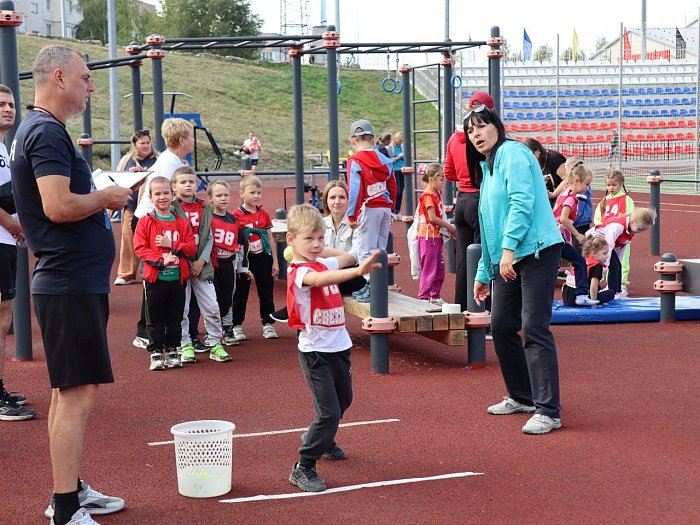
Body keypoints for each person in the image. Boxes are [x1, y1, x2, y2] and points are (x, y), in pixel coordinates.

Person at [10, 45, 130, 525]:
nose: (92, 85)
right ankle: (64, 508)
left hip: (70, 280)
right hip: (68, 280)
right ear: (59, 77)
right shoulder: (44, 131)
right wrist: (104, 196)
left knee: (68, 392)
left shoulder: (41, 129)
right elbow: (58, 206)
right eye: (85, 77)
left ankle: (69, 490)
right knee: (76, 394)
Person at [466, 104, 564, 435]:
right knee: (502, 325)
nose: (476, 134)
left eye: (481, 126)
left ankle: (548, 410)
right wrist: (484, 272)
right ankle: (522, 396)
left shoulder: (515, 153)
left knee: (534, 327)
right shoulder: (489, 167)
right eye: (470, 130)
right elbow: (488, 225)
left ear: (497, 126)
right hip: (509, 256)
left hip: (536, 249)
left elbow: (522, 202)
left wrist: (507, 250)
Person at [285, 203, 381, 492]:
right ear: (291, 240)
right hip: (316, 352)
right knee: (328, 413)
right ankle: (304, 466)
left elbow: (347, 256)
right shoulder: (299, 271)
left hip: (340, 347)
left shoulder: (320, 261)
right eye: (308, 239)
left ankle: (323, 439)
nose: (316, 245)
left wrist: (322, 249)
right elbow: (320, 279)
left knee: (343, 402)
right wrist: (356, 272)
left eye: (320, 238)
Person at [131, 118, 194, 350]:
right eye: (191, 136)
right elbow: (162, 196)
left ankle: (157, 331)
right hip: (152, 222)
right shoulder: (169, 163)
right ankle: (146, 332)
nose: (194, 140)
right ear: (182, 140)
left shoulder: (171, 160)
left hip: (153, 219)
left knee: (162, 279)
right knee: (154, 278)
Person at [133, 176, 196, 371]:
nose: (162, 197)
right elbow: (140, 248)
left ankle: (173, 349)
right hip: (155, 279)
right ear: (150, 197)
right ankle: (156, 351)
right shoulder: (145, 222)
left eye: (166, 193)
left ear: (173, 195)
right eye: (158, 194)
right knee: (155, 317)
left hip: (177, 279)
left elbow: (191, 248)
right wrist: (161, 261)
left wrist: (173, 246)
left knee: (175, 316)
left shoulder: (182, 223)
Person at [171, 167, 231, 363]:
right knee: (182, 308)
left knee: (212, 305)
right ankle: (185, 343)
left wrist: (201, 261)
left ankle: (215, 343)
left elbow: (209, 238)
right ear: (174, 187)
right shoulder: (171, 208)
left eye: (191, 181)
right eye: (183, 182)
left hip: (201, 264)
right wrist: (184, 260)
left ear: (197, 184)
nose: (188, 185)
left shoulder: (204, 207)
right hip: (180, 263)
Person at [0, 84, 35, 422]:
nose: (8, 109)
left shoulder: (3, 147)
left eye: (11, 104)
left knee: (3, 317)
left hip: (6, 241)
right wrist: (13, 224)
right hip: (1, 240)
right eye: (1, 104)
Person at [444, 91, 494, 312]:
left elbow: (448, 173)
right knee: (485, 256)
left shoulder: (454, 138)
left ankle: (461, 309)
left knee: (464, 260)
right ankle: (484, 312)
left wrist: (464, 177)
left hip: (462, 200)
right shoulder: (485, 139)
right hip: (481, 198)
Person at [346, 119, 396, 303]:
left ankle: (372, 285)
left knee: (365, 249)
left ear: (352, 140)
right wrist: (391, 206)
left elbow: (355, 189)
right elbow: (393, 185)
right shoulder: (385, 160)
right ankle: (377, 285)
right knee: (380, 249)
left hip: (369, 207)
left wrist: (352, 215)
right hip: (384, 207)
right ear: (373, 138)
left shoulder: (355, 160)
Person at [231, 175, 279, 340]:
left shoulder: (264, 214)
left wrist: (275, 261)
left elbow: (270, 238)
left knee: (266, 291)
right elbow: (235, 240)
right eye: (252, 192)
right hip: (245, 258)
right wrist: (237, 264)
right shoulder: (236, 215)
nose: (256, 196)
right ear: (242, 194)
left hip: (263, 257)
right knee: (241, 293)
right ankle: (236, 325)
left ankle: (268, 323)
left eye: (258, 192)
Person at [114, 129, 159, 286]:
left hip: (152, 208)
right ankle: (126, 273)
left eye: (148, 142)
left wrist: (146, 174)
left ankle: (152, 270)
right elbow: (117, 179)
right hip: (131, 206)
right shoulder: (127, 160)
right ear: (135, 145)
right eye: (142, 143)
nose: (146, 146)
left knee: (153, 238)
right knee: (128, 238)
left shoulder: (158, 159)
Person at [551, 157, 598, 306]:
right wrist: (577, 235)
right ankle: (581, 294)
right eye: (586, 184)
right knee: (578, 261)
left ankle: (580, 294)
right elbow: (563, 219)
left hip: (555, 236)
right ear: (577, 181)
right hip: (557, 237)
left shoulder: (566, 191)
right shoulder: (571, 198)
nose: (587, 188)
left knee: (571, 262)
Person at [588, 208, 656, 297]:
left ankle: (617, 292)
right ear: (633, 221)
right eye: (639, 229)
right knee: (613, 266)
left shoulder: (630, 230)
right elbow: (609, 245)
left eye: (643, 230)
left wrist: (618, 260)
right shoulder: (617, 226)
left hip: (604, 244)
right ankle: (612, 292)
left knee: (617, 265)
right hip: (594, 241)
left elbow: (620, 248)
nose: (640, 232)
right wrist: (604, 266)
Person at [415, 163, 456, 304]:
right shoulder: (427, 196)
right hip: (428, 237)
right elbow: (432, 218)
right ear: (431, 179)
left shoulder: (435, 194)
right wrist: (449, 227)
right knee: (429, 268)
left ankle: (435, 295)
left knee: (439, 268)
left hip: (435, 237)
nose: (443, 182)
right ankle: (424, 296)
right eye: (441, 179)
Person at [208, 179, 241, 346]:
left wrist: (241, 267)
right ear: (210, 199)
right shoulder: (207, 219)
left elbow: (240, 244)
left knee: (228, 297)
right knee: (212, 299)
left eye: (226, 195)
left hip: (229, 264)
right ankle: (212, 331)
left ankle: (228, 329)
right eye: (218, 195)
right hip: (212, 265)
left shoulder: (234, 220)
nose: (223, 198)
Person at [593, 169, 635, 297]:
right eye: (608, 185)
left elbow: (630, 216)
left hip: (621, 237)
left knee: (622, 261)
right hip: (607, 236)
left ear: (621, 184)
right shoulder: (604, 201)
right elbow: (598, 218)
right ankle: (610, 284)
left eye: (614, 185)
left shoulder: (627, 199)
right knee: (609, 259)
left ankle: (621, 283)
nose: (611, 188)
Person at [561, 236, 615, 307]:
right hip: (576, 299)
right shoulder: (596, 265)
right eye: (604, 253)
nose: (607, 256)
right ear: (594, 253)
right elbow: (593, 287)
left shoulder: (582, 261)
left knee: (597, 287)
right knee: (611, 293)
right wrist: (594, 304)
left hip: (566, 298)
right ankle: (587, 301)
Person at [524, 137, 567, 207]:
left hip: (560, 198)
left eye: (531, 155)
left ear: (538, 150)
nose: (529, 159)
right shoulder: (530, 163)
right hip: (546, 199)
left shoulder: (553, 158)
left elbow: (567, 179)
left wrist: (553, 194)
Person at [387, 132, 404, 215]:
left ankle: (398, 210)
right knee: (397, 190)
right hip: (394, 170)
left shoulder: (402, 147)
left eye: (402, 141)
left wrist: (404, 157)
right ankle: (393, 209)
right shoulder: (390, 148)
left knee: (401, 190)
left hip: (402, 170)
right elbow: (388, 160)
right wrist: (398, 157)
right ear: (395, 139)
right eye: (400, 140)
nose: (401, 142)